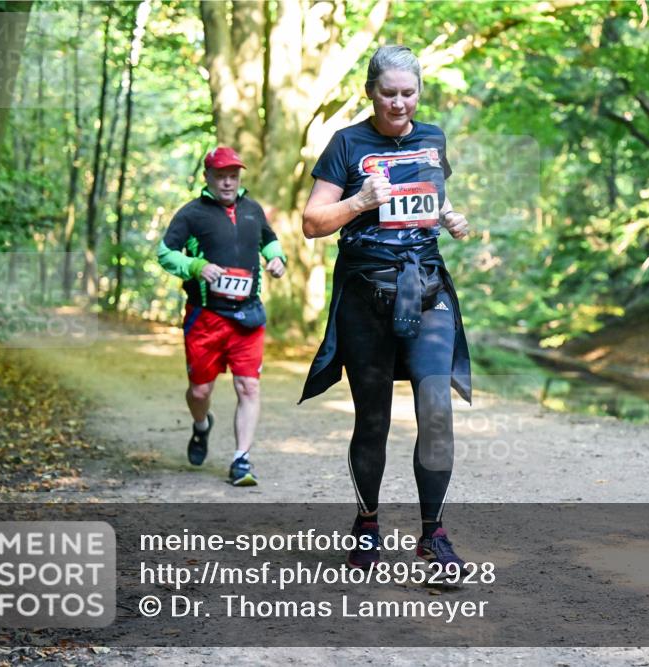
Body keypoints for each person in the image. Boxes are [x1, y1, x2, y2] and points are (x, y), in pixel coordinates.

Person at [300, 45, 473, 570]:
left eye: (408, 93)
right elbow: (311, 223)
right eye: (388, 93)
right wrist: (358, 202)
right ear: (370, 92)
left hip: (426, 289)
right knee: (372, 419)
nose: (399, 103)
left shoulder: (433, 138)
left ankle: (433, 535)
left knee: (437, 411)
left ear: (419, 93)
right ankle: (368, 523)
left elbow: (430, 196)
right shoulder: (346, 143)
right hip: (365, 295)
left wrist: (449, 217)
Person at [158, 146, 286, 486]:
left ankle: (241, 459)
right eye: (220, 176)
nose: (228, 182)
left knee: (249, 386)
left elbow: (270, 242)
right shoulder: (191, 214)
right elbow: (165, 253)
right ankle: (202, 426)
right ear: (207, 178)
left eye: (233, 176)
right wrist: (195, 266)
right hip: (206, 317)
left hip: (247, 317)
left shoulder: (252, 210)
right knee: (199, 391)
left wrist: (277, 260)